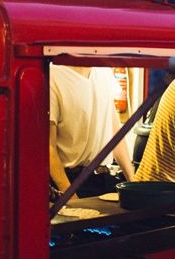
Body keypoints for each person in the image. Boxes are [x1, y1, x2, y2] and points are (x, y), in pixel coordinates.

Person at [49, 65, 135, 199]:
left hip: (104, 178)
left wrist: (133, 180)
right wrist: (70, 197)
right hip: (71, 180)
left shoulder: (103, 70)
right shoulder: (52, 76)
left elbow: (115, 132)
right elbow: (49, 148)